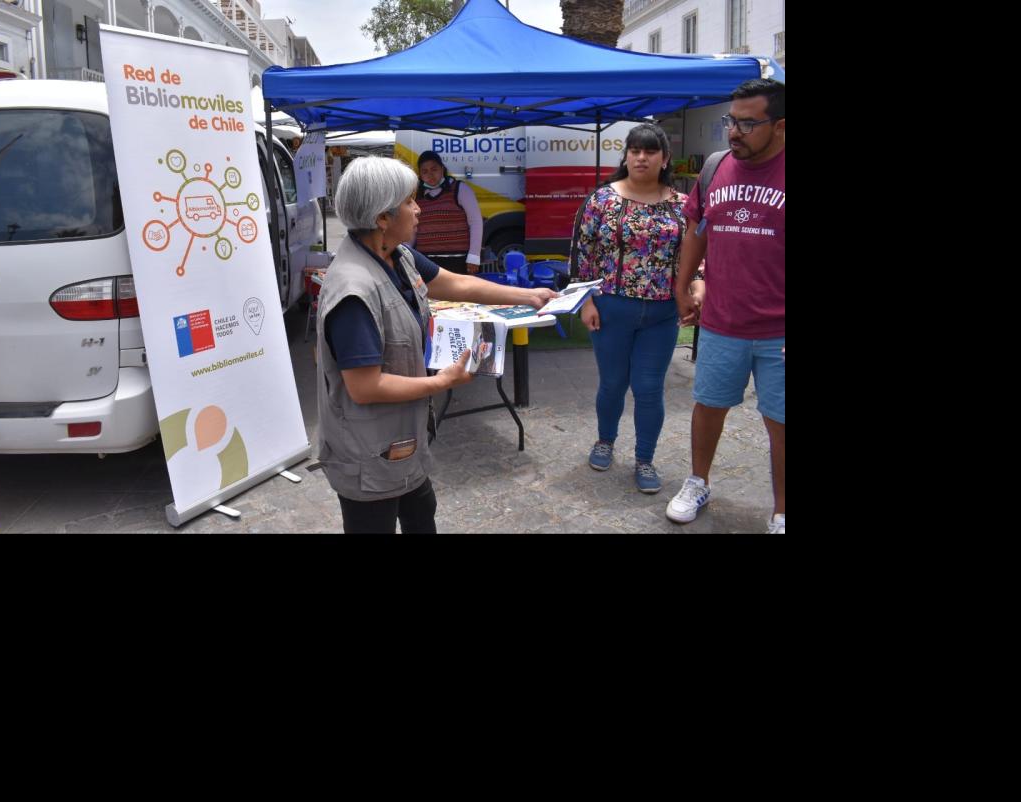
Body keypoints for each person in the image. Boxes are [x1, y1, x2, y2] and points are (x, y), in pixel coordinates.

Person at [315, 157, 557, 534]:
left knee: (421, 515)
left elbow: (454, 283)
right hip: (367, 451)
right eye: (410, 201)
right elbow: (365, 387)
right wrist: (442, 382)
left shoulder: (397, 255)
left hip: (402, 441)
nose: (418, 210)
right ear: (382, 218)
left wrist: (526, 296)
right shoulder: (353, 292)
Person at [668, 78, 786, 534]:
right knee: (709, 405)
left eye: (747, 124)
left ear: (779, 126)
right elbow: (696, 230)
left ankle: (780, 510)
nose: (733, 132)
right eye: (730, 121)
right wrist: (685, 283)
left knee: (780, 421)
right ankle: (698, 481)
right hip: (722, 323)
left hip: (779, 331)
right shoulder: (716, 168)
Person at [569, 122, 703, 495]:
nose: (641, 158)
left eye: (650, 152)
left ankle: (645, 458)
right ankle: (605, 441)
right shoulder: (602, 200)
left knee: (649, 388)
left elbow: (694, 255)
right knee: (613, 383)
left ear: (664, 159)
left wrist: (698, 285)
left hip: (661, 314)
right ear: (626, 155)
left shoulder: (681, 205)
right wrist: (586, 302)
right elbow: (582, 257)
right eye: (635, 150)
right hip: (611, 309)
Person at [412, 151, 484, 275]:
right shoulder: (416, 196)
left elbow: (476, 222)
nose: (430, 175)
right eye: (425, 171)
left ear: (442, 169)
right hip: (426, 262)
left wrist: (474, 256)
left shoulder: (460, 189)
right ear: (420, 175)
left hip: (458, 260)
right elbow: (413, 228)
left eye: (434, 169)